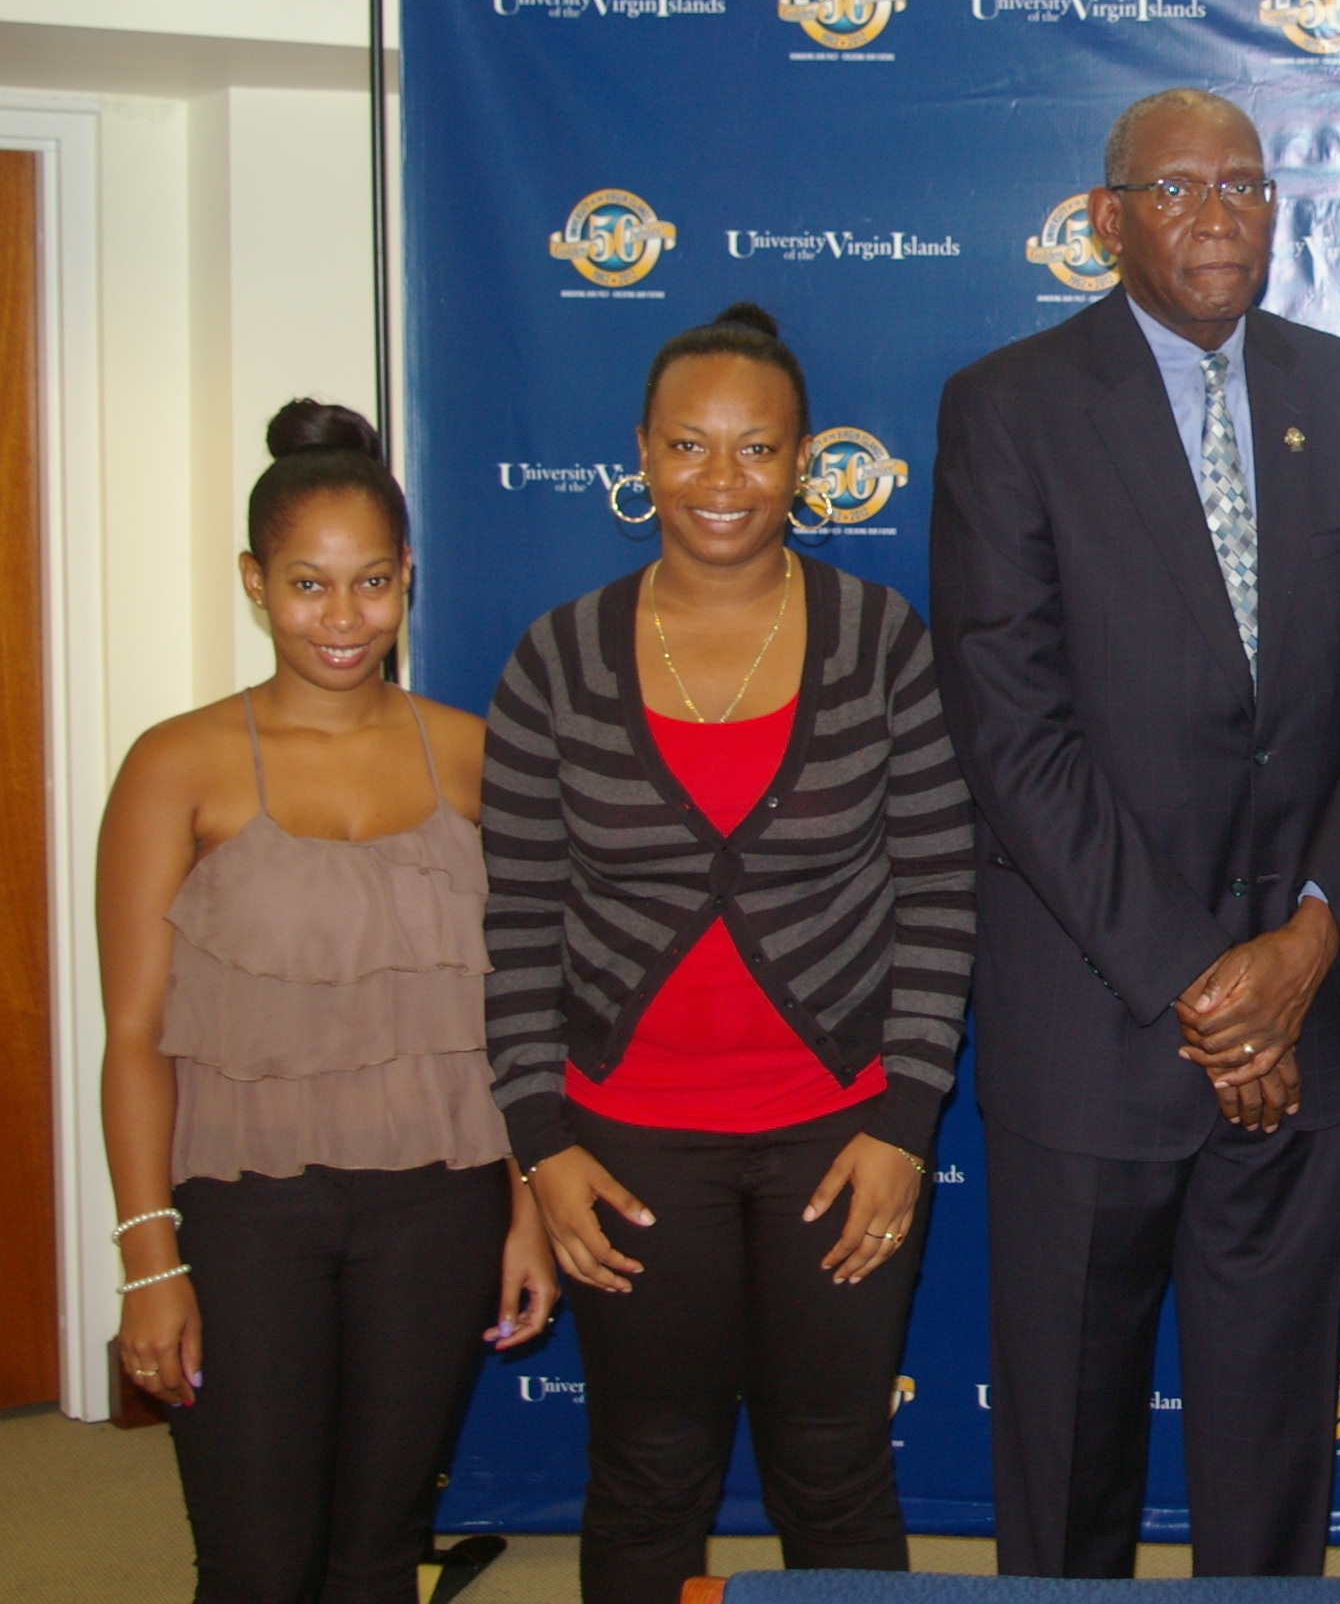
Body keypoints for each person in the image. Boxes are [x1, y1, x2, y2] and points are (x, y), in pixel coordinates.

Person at [929, 89, 1340, 1577]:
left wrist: (1300, 952)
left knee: (1274, 1462)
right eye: (1177, 188)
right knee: (1072, 1457)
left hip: (1307, 1021)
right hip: (1098, 1028)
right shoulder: (1008, 407)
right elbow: (1014, 740)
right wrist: (1207, 989)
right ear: (1106, 219)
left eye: (1246, 185)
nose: (1218, 213)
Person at [480, 303, 976, 1604]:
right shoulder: (557, 660)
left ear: (804, 461)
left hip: (841, 1134)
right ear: (639, 455)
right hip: (625, 1144)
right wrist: (544, 1141)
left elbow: (937, 889)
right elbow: (521, 920)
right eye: (689, 448)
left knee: (835, 1464)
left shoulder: (880, 642)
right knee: (647, 1469)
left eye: (756, 450)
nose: (721, 482)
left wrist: (906, 1126)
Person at [96, 399, 554, 1604]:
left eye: (370, 584)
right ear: (254, 582)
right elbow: (135, 1038)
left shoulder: (475, 752)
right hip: (248, 1217)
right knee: (255, 1563)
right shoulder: (174, 762)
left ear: (407, 578)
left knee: (374, 1556)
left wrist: (522, 1209)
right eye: (308, 583)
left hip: (440, 1209)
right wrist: (151, 1261)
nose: (342, 619)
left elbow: (512, 1018)